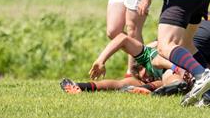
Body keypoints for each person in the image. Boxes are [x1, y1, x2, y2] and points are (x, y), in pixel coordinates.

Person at [60, 35, 189, 95]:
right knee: (123, 83)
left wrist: (101, 60)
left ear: (141, 66)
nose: (146, 77)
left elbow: (123, 38)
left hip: (176, 69)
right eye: (143, 78)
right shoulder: (149, 75)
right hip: (170, 77)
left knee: (167, 78)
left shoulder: (148, 55)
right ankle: (80, 87)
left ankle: (152, 88)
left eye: (143, 75)